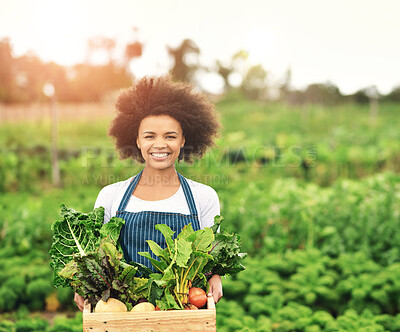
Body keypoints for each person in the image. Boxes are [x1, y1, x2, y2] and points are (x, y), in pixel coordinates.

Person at [74, 76, 223, 311]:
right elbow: (98, 256)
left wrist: (215, 276)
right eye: (150, 136)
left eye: (170, 136)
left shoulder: (203, 197)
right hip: (123, 315)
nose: (160, 144)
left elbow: (210, 259)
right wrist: (84, 283)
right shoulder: (111, 195)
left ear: (184, 140)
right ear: (137, 140)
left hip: (181, 314)